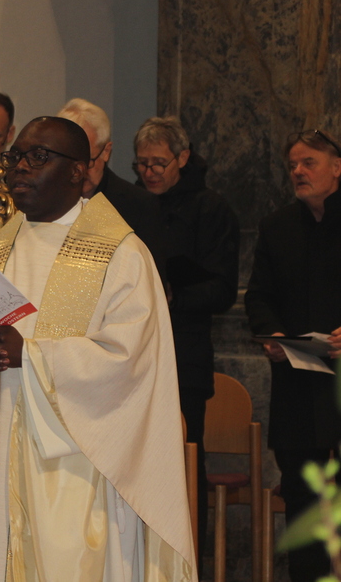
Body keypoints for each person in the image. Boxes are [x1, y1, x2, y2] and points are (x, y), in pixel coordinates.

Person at [0, 117, 196, 581]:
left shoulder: (121, 255)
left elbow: (130, 364)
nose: (20, 168)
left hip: (77, 476)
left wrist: (30, 355)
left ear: (78, 171)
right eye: (16, 157)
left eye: (39, 157)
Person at [133, 116, 239, 564]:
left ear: (182, 158)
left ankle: (188, 561)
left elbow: (223, 289)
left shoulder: (210, 209)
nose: (149, 172)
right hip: (135, 358)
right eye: (142, 164)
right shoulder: (132, 206)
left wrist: (174, 295)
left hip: (185, 356)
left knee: (184, 464)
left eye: (158, 163)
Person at [246, 129, 341, 581]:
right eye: (292, 166)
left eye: (309, 163)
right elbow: (258, 297)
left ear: (337, 168)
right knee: (303, 503)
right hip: (298, 383)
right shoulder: (277, 226)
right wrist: (275, 335)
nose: (298, 172)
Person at [57, 98, 167, 280]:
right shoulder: (47, 201)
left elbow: (151, 280)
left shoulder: (140, 206)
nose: (79, 173)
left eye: (88, 162)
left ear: (106, 151)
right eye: (70, 163)